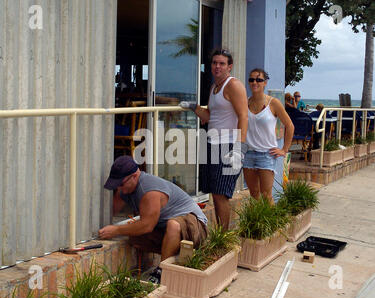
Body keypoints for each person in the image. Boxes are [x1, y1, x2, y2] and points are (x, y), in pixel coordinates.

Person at [98, 155, 208, 284]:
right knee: (136, 239)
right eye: (117, 185)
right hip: (170, 229)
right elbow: (113, 208)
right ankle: (178, 258)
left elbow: (147, 226)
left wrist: (116, 230)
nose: (120, 189)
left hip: (196, 227)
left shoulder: (149, 191)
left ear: (134, 176)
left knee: (173, 225)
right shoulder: (126, 188)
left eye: (121, 184)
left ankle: (163, 271)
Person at [181, 48, 248, 231]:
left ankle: (223, 237)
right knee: (214, 192)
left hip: (228, 146)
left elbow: (243, 116)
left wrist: (240, 148)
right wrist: (194, 107)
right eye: (214, 63)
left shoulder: (233, 85)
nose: (217, 66)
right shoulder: (214, 87)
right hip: (212, 144)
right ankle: (220, 233)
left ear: (229, 67)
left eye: (222, 63)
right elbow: (210, 116)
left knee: (221, 195)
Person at [244, 68, 294, 204]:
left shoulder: (273, 103)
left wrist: (284, 149)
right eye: (251, 79)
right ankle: (257, 224)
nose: (255, 82)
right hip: (248, 154)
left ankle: (273, 225)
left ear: (265, 83)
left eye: (259, 79)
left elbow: (289, 125)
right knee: (253, 194)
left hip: (267, 154)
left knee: (266, 195)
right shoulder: (245, 102)